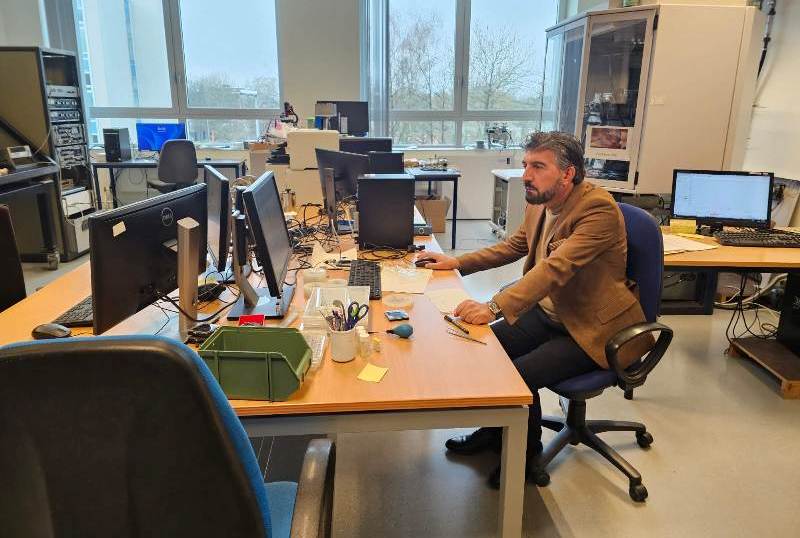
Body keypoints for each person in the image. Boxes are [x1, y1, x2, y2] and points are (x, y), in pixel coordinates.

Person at [420, 131, 653, 488]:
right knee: (484, 351)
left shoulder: (598, 210)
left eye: (538, 166)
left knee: (518, 377)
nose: (526, 175)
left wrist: (494, 306)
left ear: (568, 173)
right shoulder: (539, 201)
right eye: (526, 164)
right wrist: (458, 262)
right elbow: (514, 245)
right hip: (549, 312)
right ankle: (494, 433)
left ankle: (524, 457)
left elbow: (555, 268)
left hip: (590, 327)